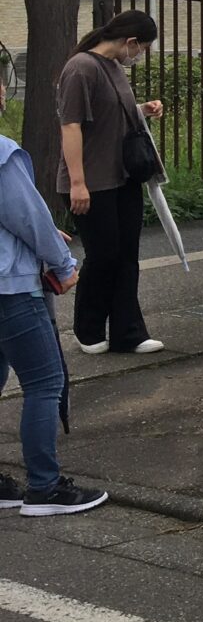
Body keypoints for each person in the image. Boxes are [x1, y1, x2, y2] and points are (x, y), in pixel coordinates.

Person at [0, 66, 104, 517]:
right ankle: (44, 487)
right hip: (10, 286)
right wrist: (62, 264)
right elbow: (27, 217)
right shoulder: (3, 154)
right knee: (44, 381)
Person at [57, 11, 165, 357]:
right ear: (130, 41)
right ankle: (87, 330)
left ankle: (128, 333)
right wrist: (77, 183)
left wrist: (142, 109)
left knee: (126, 257)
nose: (140, 54)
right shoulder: (80, 68)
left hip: (121, 177)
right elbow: (70, 125)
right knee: (103, 256)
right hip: (91, 181)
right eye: (143, 48)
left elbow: (111, 111)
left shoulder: (114, 68)